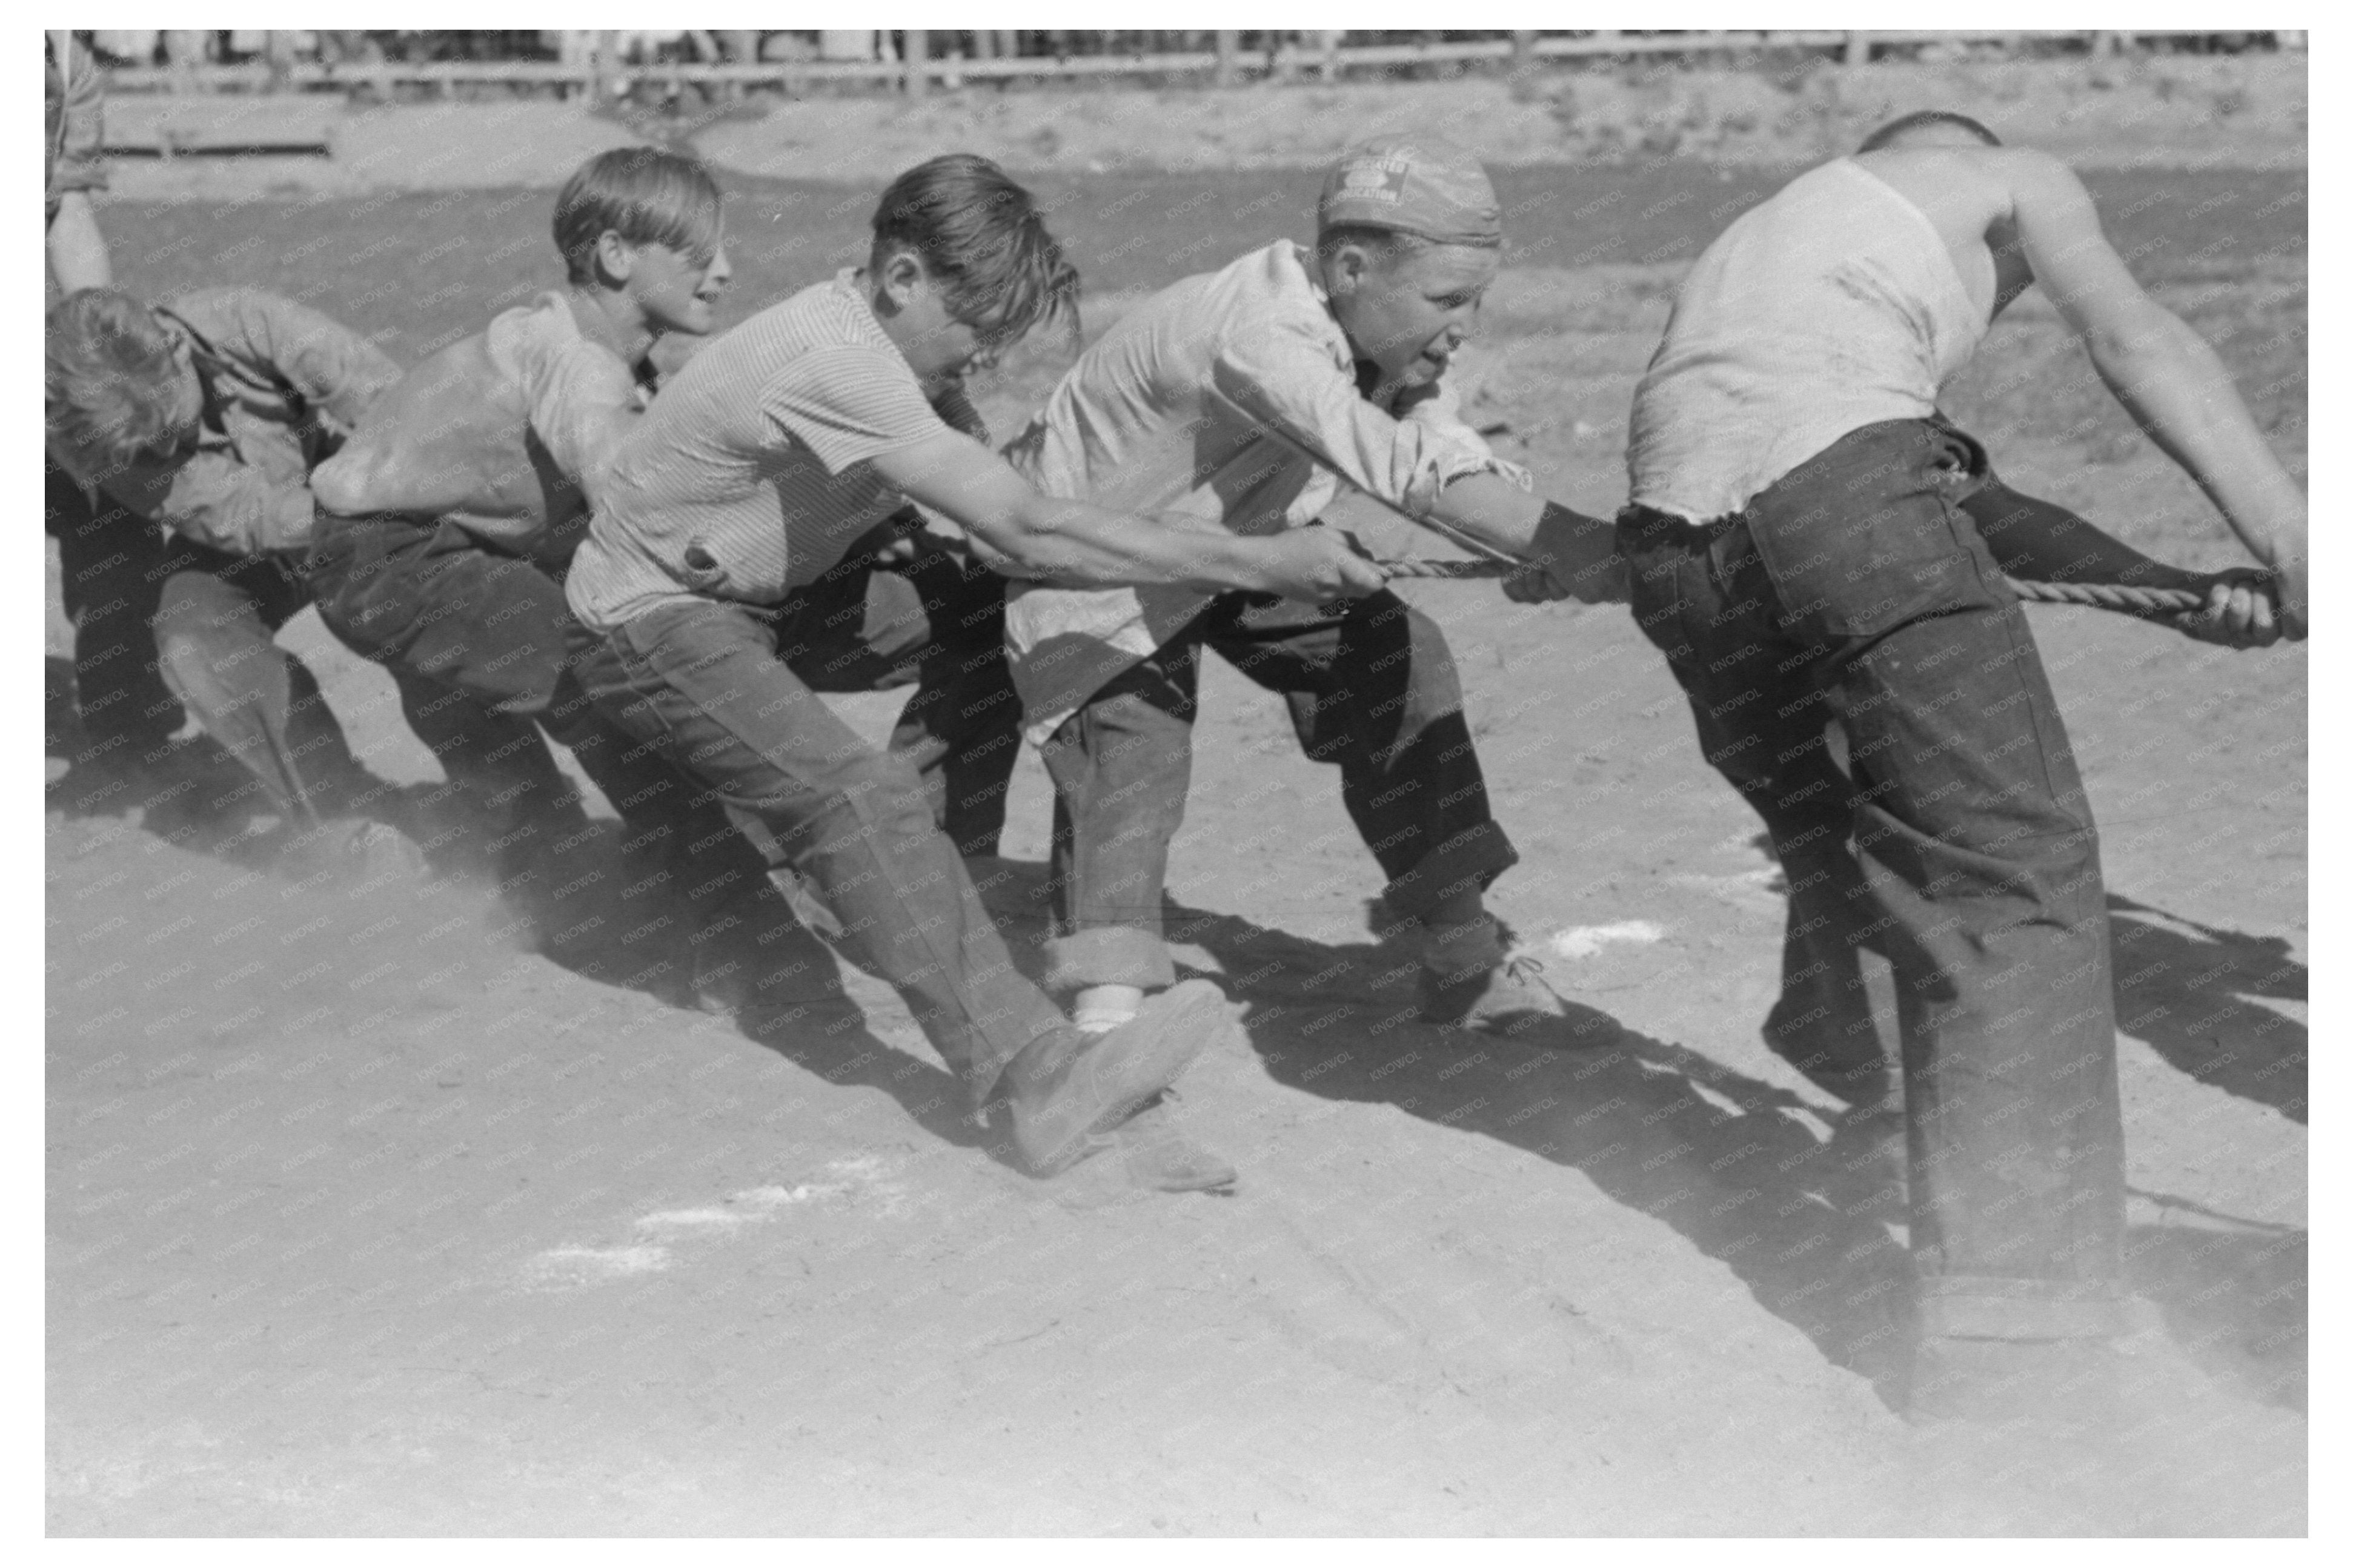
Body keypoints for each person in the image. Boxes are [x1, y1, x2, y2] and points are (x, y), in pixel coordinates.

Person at [1615, 109, 2305, 1423]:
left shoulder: (1776, 256)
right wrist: (2285, 533)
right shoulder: (2007, 173)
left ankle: (1879, 1109)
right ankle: (2020, 1358)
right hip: (1842, 507)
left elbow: (1935, 507)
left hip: (1673, 548)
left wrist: (2172, 590)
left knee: (1845, 838)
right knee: (2011, 884)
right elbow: (2131, 338)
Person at [560, 154, 1392, 1181]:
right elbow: (1029, 525)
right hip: (648, 624)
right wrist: (1259, 560)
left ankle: (902, 886)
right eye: (973, 332)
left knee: (995, 611)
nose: (980, 363)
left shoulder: (905, 362)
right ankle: (1034, 1078)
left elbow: (1006, 545)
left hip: (760, 598)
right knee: (852, 795)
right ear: (902, 277)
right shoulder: (834, 357)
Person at [998, 135, 1623, 1069]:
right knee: (1133, 746)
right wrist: (1602, 555)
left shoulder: (1371, 323)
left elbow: (1438, 446)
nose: (1463, 331)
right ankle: (1106, 1026)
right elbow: (1401, 474)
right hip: (1102, 563)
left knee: (1393, 654)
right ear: (1354, 266)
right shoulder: (1264, 331)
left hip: (1249, 548)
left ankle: (1460, 954)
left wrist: (1529, 544)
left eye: (1476, 303)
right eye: (1448, 303)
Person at [307, 147, 752, 983]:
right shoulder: (574, 361)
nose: (725, 272)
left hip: (383, 552)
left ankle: (554, 899)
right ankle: (727, 930)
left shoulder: (566, 333)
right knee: (607, 688)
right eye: (700, 254)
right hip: (396, 559)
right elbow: (620, 481)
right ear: (618, 256)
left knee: (489, 724)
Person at [44, 285, 410, 842]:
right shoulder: (105, 438)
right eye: (146, 450)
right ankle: (338, 808)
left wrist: (407, 502)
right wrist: (357, 516)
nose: (164, 456)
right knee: (193, 642)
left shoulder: (252, 321)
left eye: (170, 428)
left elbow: (397, 407)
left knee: (431, 609)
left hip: (387, 501)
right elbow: (250, 516)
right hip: (277, 535)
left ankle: (521, 805)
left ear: (178, 351)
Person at [45, 28, 184, 806]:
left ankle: (127, 731)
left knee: (114, 501)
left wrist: (93, 352)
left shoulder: (65, 55)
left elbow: (62, 215)